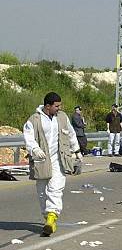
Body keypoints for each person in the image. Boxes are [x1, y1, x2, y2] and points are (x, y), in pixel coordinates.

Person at [23, 92, 82, 236]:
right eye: (56, 106)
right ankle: (47, 217)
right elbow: (28, 137)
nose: (59, 108)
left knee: (55, 189)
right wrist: (35, 149)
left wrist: (77, 151)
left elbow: (70, 134)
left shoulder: (62, 117)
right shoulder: (34, 119)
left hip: (58, 159)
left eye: (59, 105)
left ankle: (52, 218)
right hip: (41, 160)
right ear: (47, 106)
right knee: (42, 192)